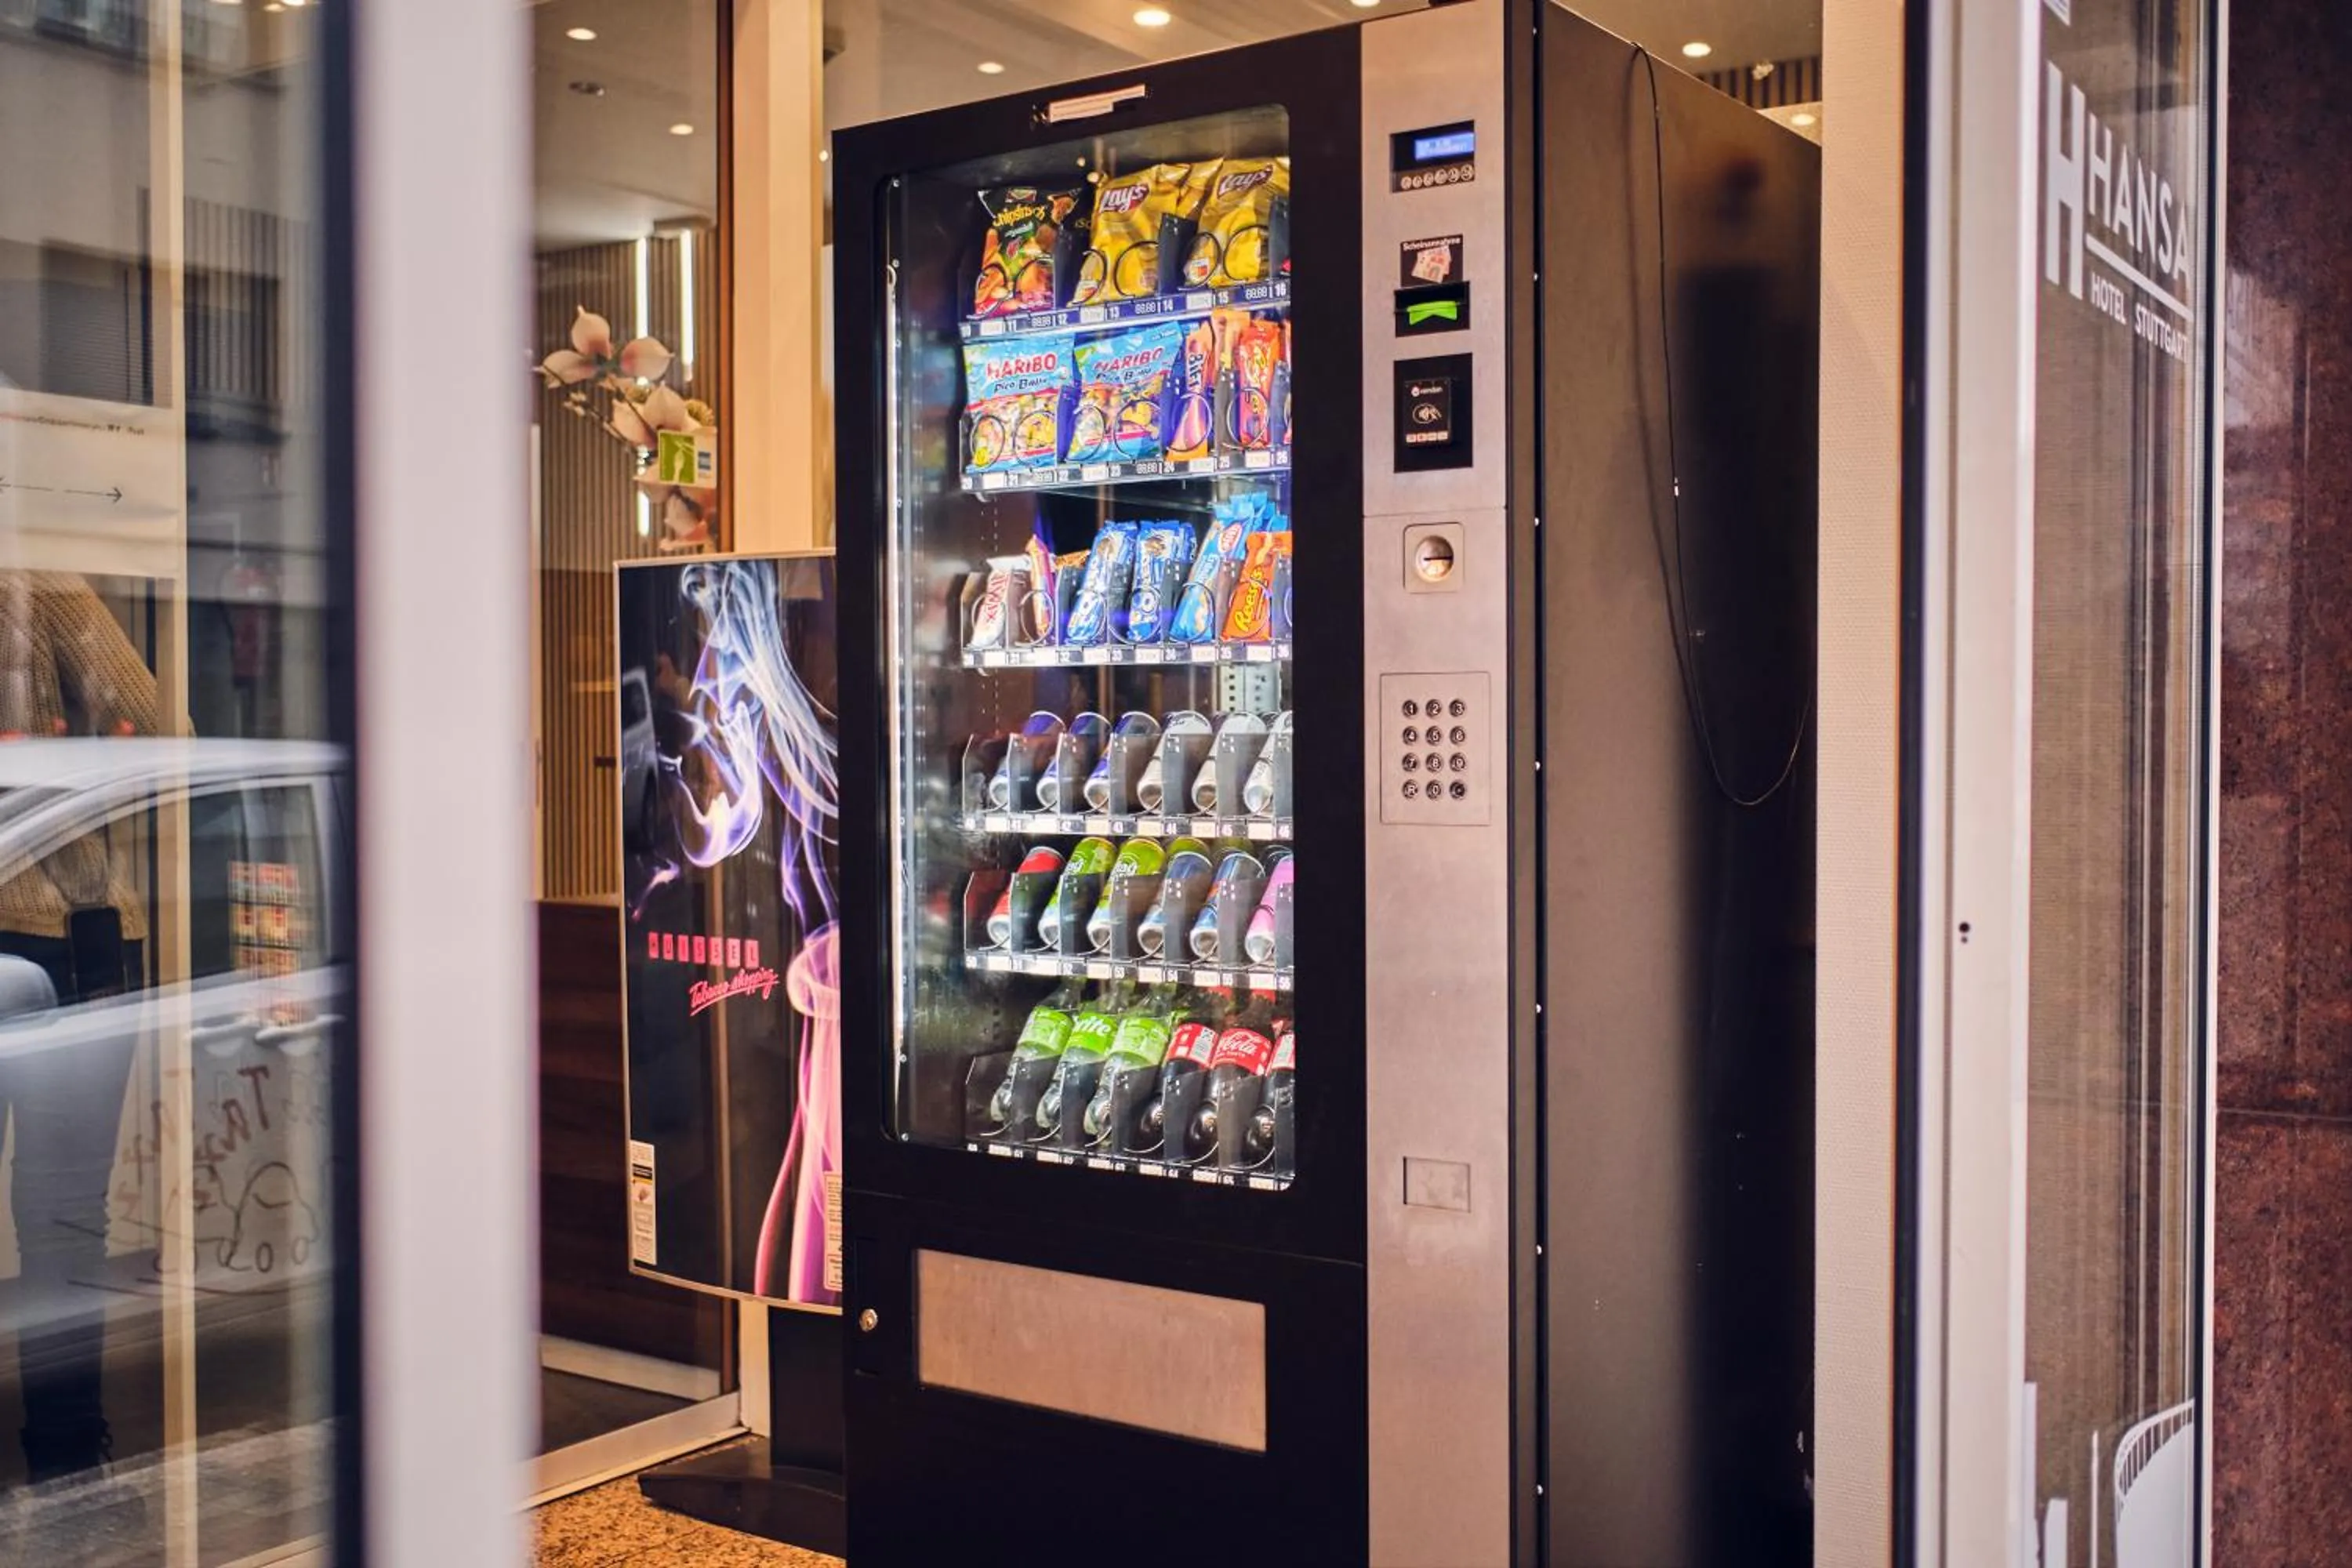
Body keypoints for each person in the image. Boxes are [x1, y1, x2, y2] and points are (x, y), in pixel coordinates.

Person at [0, 569, 158, 1483]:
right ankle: (65, 1460)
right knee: (63, 1220)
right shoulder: (38, 581)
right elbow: (158, 725)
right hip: (64, 936)